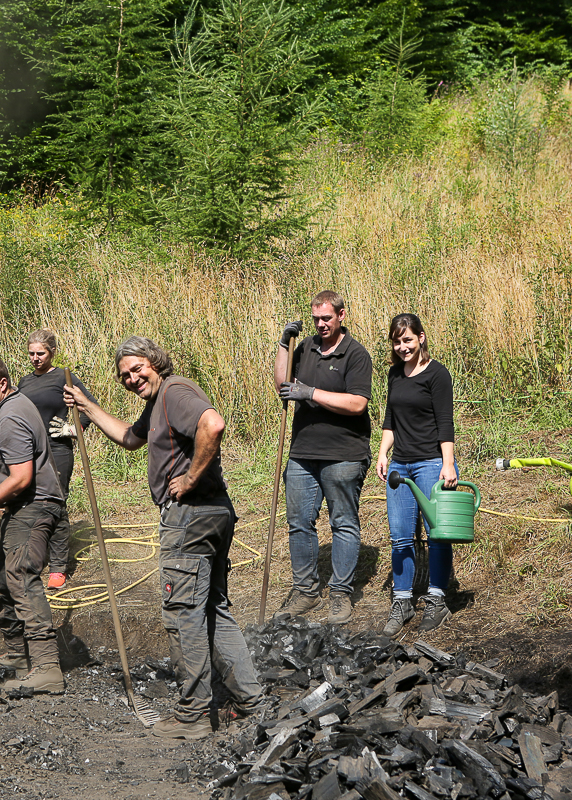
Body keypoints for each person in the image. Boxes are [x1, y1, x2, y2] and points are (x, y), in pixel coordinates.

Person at [64, 336, 264, 740]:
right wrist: (87, 406)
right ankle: (252, 700)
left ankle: (193, 715)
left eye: (138, 368)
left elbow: (213, 424)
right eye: (125, 375)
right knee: (213, 609)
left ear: (155, 362)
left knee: (183, 614)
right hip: (213, 514)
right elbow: (129, 437)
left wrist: (189, 478)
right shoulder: (157, 403)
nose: (132, 378)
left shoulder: (174, 393)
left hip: (190, 518)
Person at [0, 355, 67, 692]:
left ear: (2, 383)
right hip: (19, 508)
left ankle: (47, 668)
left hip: (33, 506)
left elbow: (21, 478)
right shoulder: (7, 407)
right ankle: (19, 655)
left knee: (20, 577)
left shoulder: (11, 416)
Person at [273, 290, 373, 624]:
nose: (320, 324)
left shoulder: (355, 354)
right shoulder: (305, 348)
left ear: (341, 315)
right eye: (316, 319)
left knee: (342, 523)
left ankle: (340, 594)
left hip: (344, 454)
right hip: (302, 452)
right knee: (299, 523)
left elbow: (357, 403)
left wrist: (311, 392)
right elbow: (282, 384)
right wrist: (284, 344)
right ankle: (306, 591)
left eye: (326, 318)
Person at [375, 313, 458, 636]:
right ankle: (403, 600)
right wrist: (383, 453)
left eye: (407, 339)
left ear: (421, 337)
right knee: (399, 537)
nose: (402, 347)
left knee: (437, 534)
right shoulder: (395, 374)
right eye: (397, 342)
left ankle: (437, 598)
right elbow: (390, 419)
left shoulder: (437, 374)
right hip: (401, 464)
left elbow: (445, 421)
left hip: (431, 464)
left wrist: (447, 463)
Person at [16, 329, 94, 589]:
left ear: (52, 352)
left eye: (41, 353)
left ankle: (58, 567)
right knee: (30, 503)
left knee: (56, 504)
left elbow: (90, 406)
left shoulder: (63, 377)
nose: (35, 358)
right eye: (31, 353)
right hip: (30, 451)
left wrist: (73, 429)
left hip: (58, 450)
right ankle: (35, 558)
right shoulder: (25, 382)